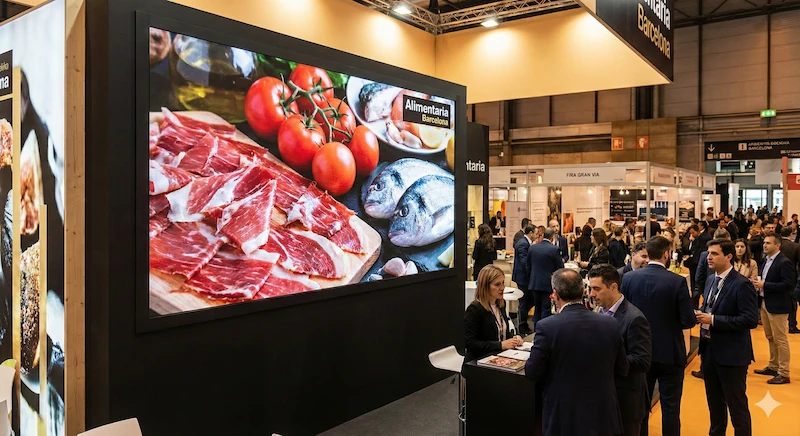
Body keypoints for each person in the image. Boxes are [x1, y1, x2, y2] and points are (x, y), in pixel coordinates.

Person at [525, 268, 628, 436]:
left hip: (564, 416)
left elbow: (532, 372)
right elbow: (622, 368)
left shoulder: (547, 327)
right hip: (603, 413)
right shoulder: (609, 323)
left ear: (555, 294)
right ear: (583, 291)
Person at [622, 236, 696, 436]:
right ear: (666, 254)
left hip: (638, 352)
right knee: (671, 407)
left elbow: (622, 314)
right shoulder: (677, 281)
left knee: (640, 406)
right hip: (670, 352)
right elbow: (688, 320)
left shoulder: (629, 278)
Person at [698, 239, 759, 436]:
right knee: (714, 403)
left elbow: (749, 319)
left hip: (732, 355)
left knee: (736, 405)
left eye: (714, 253)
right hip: (709, 352)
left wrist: (713, 319)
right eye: (709, 253)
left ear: (729, 256)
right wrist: (699, 314)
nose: (709, 257)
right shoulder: (710, 280)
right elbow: (708, 307)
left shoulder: (741, 284)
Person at [589, 265, 652, 436]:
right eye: (590, 288)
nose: (591, 294)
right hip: (604, 398)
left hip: (625, 401)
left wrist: (607, 359)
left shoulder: (635, 318)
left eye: (596, 289)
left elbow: (642, 361)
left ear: (613, 287)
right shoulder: (598, 312)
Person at [752, 233, 795, 384]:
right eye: (764, 243)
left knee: (780, 339)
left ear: (778, 246)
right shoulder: (766, 260)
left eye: (768, 243)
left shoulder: (784, 262)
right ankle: (773, 365)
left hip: (778, 305)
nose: (764, 245)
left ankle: (784, 373)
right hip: (766, 302)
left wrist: (765, 285)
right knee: (770, 337)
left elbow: (789, 285)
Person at [464, 265, 524, 366]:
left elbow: (500, 332)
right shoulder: (474, 309)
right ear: (485, 286)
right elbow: (470, 344)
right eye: (497, 284)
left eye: (502, 283)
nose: (502, 288)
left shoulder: (500, 305)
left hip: (499, 359)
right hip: (478, 363)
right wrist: (500, 345)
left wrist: (514, 338)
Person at [526, 228, 564, 327]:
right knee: (545, 308)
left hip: (534, 282)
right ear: (553, 237)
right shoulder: (554, 249)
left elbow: (527, 266)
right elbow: (560, 268)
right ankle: (544, 329)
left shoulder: (532, 248)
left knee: (537, 307)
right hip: (548, 283)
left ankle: (536, 329)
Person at [512, 225, 536, 336]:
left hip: (524, 277)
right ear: (530, 233)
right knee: (524, 301)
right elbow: (524, 262)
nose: (537, 235)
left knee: (528, 300)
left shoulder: (526, 243)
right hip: (522, 278)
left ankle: (523, 323)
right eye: (535, 233)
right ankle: (522, 326)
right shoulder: (523, 244)